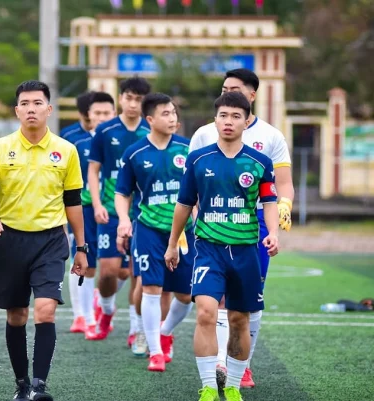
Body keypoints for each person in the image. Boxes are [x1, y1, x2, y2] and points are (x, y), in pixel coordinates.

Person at [0, 80, 88, 401]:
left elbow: (73, 202)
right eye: (24, 103)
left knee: (45, 311)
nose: (31, 109)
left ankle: (39, 385)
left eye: (37, 103)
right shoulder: (0, 147)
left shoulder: (66, 150)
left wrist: (81, 247)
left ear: (49, 109)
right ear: (16, 111)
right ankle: (22, 383)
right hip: (10, 240)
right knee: (17, 315)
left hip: (51, 240)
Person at [165, 91, 279, 401]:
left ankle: (232, 385)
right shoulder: (198, 159)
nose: (229, 121)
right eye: (223, 116)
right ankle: (207, 387)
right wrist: (173, 244)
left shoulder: (260, 162)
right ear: (215, 120)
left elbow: (269, 201)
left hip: (245, 250)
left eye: (236, 116)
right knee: (205, 312)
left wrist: (273, 232)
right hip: (208, 249)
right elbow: (184, 204)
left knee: (239, 319)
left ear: (246, 121)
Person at [189, 68, 294, 389]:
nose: (228, 93)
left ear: (252, 95)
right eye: (224, 89)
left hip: (256, 220)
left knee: (248, 300)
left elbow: (283, 184)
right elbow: (190, 185)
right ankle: (220, 363)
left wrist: (283, 208)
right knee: (213, 301)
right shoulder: (204, 134)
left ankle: (243, 365)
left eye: (234, 88)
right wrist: (195, 215)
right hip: (214, 220)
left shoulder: (271, 136)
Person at [115, 93, 195, 372]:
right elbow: (122, 192)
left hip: (184, 232)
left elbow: (198, 191)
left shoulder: (187, 149)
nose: (172, 118)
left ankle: (165, 331)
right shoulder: (134, 153)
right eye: (165, 113)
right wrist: (123, 220)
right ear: (149, 119)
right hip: (148, 228)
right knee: (151, 288)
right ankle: (156, 352)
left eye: (174, 113)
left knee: (185, 295)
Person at [86, 77, 151, 342]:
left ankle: (136, 329)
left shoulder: (151, 129)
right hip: (111, 212)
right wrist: (97, 204)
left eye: (139, 99)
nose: (133, 104)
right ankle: (106, 309)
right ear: (121, 98)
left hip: (144, 214)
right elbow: (93, 170)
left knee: (137, 273)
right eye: (129, 98)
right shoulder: (105, 130)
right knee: (109, 272)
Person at [64, 92, 116, 335]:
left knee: (119, 270)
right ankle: (83, 316)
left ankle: (101, 302)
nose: (102, 117)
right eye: (98, 113)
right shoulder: (74, 141)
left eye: (107, 113)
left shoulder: (123, 140)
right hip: (84, 209)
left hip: (116, 210)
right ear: (88, 114)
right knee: (84, 261)